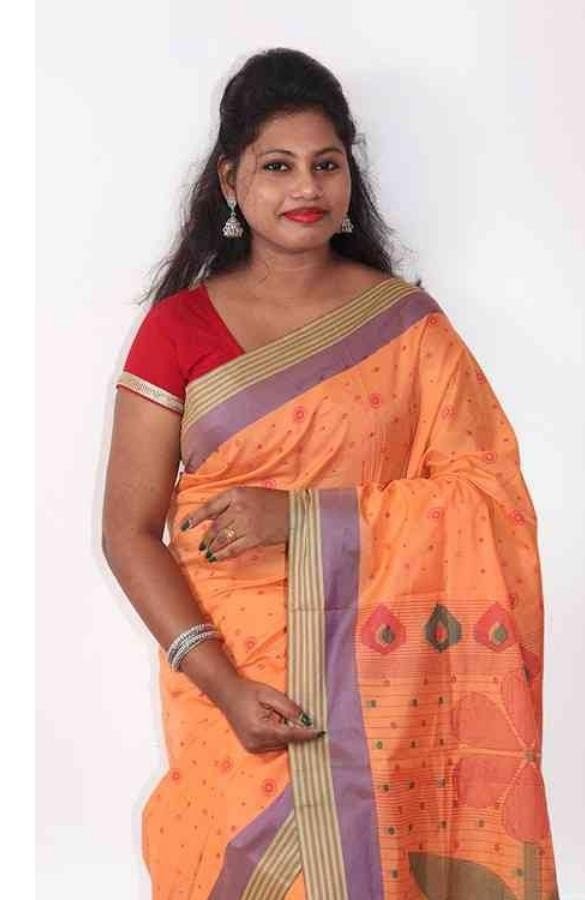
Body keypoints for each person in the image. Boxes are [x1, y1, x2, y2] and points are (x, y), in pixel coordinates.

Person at [102, 47, 559, 900]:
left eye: (326, 164)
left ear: (351, 175)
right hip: (233, 672)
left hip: (382, 692)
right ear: (230, 180)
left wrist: (303, 517)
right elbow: (127, 533)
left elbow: (489, 501)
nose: (305, 187)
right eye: (277, 166)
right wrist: (222, 683)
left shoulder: (407, 327)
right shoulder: (178, 330)